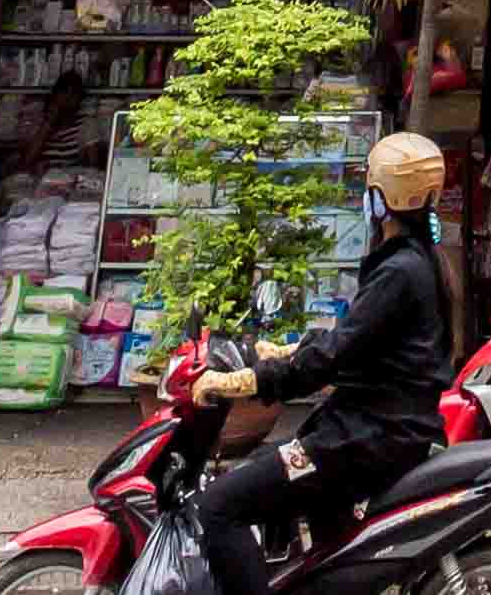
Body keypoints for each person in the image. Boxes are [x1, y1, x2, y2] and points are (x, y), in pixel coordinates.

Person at [187, 133, 452, 595]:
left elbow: (329, 360)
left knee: (219, 506)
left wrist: (239, 382)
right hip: (380, 430)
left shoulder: (398, 272)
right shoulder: (418, 262)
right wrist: (288, 349)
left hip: (365, 438)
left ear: (381, 200)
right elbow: (357, 343)